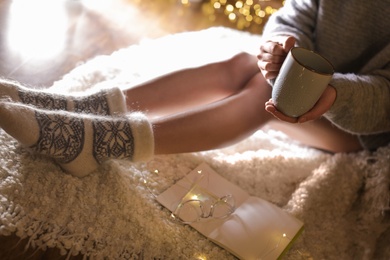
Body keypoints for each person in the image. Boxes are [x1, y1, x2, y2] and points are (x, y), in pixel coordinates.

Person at [0, 0, 389, 178]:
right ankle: (87, 108)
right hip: (307, 78)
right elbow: (298, 11)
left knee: (260, 96)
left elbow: (384, 99)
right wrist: (282, 42)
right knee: (243, 64)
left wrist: (332, 92)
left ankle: (101, 142)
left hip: (355, 126)